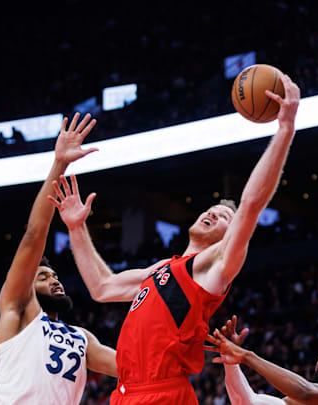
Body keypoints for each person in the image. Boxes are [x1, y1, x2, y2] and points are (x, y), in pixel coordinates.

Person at [48, 74, 301, 405]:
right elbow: (103, 287)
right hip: (124, 393)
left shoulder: (214, 269)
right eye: (210, 210)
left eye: (224, 218)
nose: (213, 215)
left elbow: (251, 205)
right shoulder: (163, 268)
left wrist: (284, 130)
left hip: (164, 394)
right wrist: (76, 227)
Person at [0, 113, 118, 405]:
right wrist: (60, 164)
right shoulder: (18, 311)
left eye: (54, 275)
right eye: (43, 277)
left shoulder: (82, 338)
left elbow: (133, 365)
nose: (54, 279)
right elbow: (35, 235)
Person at [205, 315, 318, 405]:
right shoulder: (295, 402)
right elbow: (248, 402)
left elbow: (306, 392)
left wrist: (247, 356)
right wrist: (232, 364)